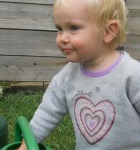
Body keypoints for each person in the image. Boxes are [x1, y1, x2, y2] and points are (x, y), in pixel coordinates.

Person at [18, 0, 140, 149]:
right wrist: (26, 145)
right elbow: (46, 114)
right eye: (59, 28)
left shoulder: (132, 75)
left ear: (108, 32)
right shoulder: (67, 77)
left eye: (73, 27)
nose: (62, 38)